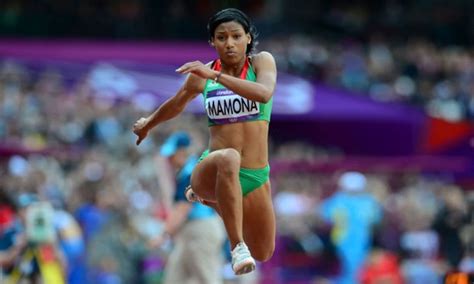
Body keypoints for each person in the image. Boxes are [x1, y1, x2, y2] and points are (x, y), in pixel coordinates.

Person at [133, 8, 277, 275]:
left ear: (248, 37)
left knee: (264, 251)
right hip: (212, 167)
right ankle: (236, 248)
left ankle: (210, 201)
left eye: (236, 36)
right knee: (229, 156)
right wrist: (148, 124)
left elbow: (264, 93)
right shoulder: (203, 73)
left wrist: (217, 77)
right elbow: (176, 104)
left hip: (255, 175)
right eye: (221, 37)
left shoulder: (261, 63)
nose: (229, 43)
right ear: (213, 42)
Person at [151, 131, 226, 284]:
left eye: (172, 155)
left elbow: (182, 209)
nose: (169, 160)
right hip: (189, 233)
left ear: (183, 152)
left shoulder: (191, 173)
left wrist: (164, 234)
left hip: (201, 231)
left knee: (207, 278)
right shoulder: (185, 172)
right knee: (174, 278)